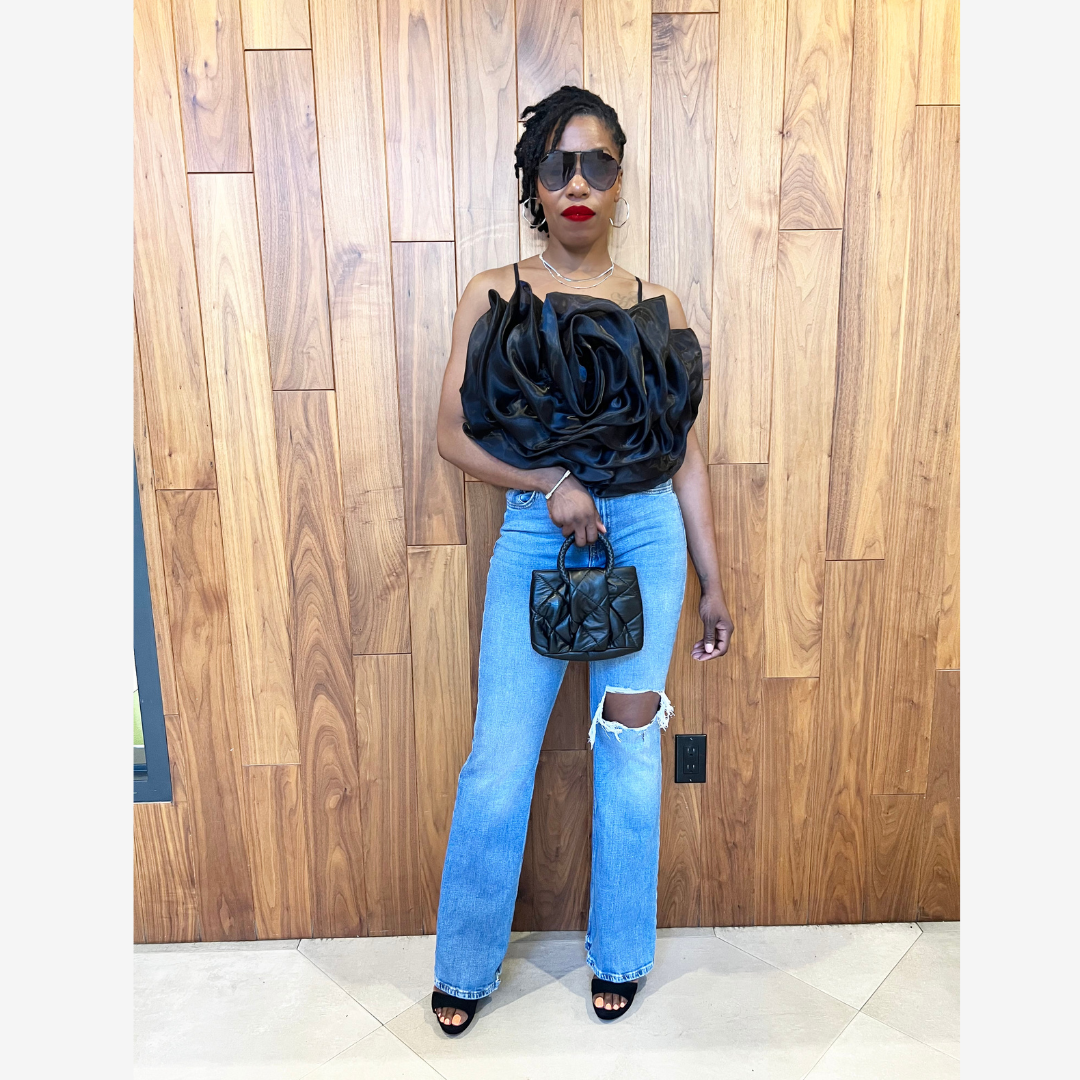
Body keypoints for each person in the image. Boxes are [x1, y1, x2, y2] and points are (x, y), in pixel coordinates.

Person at [430, 85, 734, 1035]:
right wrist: (550, 478)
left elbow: (684, 456)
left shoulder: (656, 305)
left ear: (618, 181)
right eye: (557, 165)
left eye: (596, 164)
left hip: (645, 535)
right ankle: (464, 964)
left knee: (630, 750)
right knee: (498, 759)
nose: (577, 183)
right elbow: (450, 436)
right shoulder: (492, 292)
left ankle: (621, 954)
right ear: (535, 181)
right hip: (538, 530)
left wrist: (715, 580)